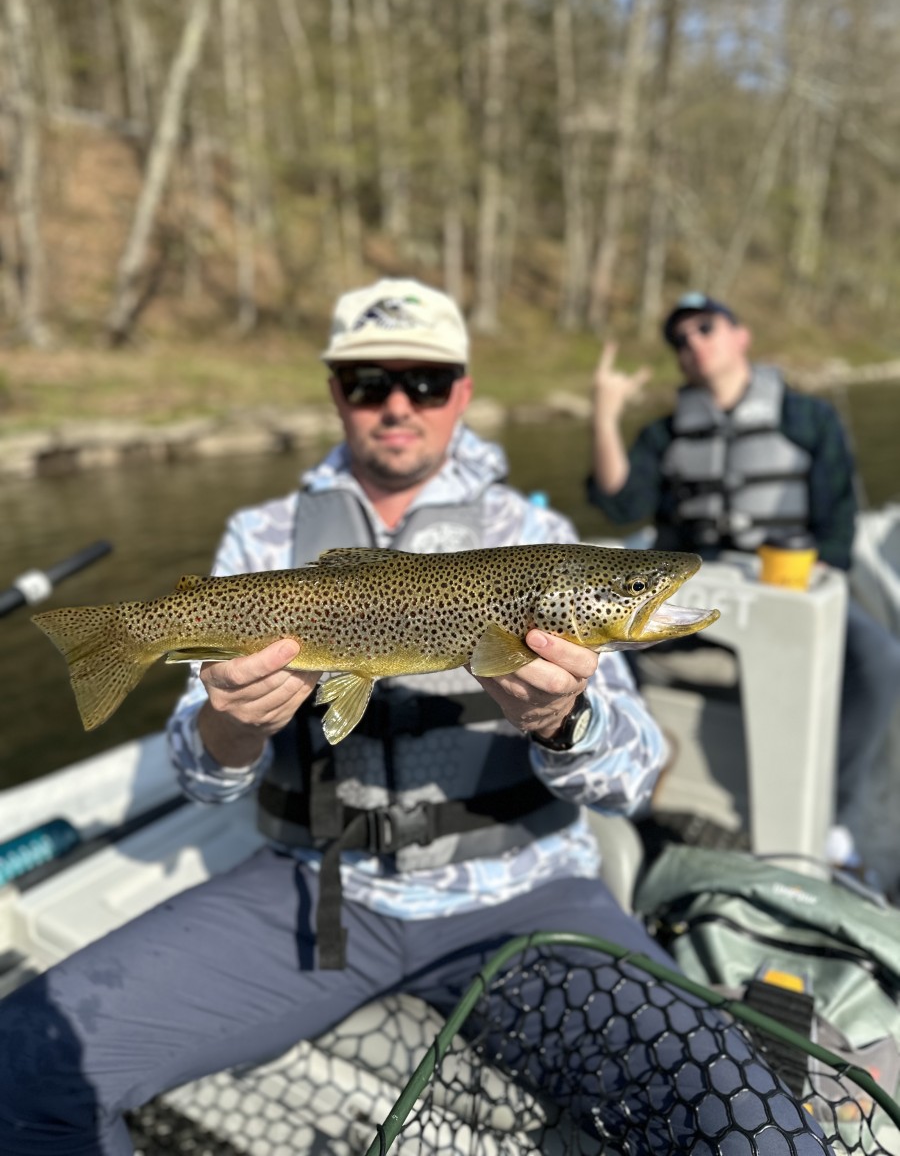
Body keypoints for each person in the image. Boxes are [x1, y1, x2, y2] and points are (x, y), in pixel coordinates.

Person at [0, 279, 835, 1155]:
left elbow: (632, 777)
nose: (397, 405)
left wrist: (563, 721)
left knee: (751, 1121)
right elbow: (198, 774)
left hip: (526, 898)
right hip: (314, 895)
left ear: (462, 393)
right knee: (22, 1064)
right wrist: (233, 727)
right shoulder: (262, 538)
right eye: (369, 383)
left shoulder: (534, 533)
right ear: (336, 393)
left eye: (426, 383)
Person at [588, 291, 900, 853]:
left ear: (740, 335)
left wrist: (807, 585)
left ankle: (832, 812)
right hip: (693, 588)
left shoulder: (809, 419)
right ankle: (634, 791)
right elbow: (618, 505)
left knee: (879, 660)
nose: (693, 344)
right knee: (600, 649)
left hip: (793, 585)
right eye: (680, 341)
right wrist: (605, 413)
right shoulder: (664, 435)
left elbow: (838, 523)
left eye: (705, 328)